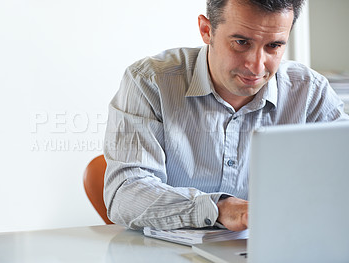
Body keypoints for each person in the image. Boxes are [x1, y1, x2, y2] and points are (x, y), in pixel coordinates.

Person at [103, 0, 349, 231]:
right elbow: (125, 194)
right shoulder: (149, 81)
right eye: (241, 42)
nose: (256, 66)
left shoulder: (309, 91)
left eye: (273, 46)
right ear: (206, 30)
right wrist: (220, 209)